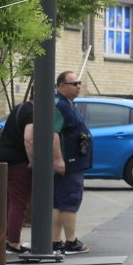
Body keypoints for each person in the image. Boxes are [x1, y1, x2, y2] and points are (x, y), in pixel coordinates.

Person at [0, 81, 64, 254]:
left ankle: (5, 239)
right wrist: (32, 160)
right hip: (19, 161)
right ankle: (13, 242)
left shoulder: (20, 108)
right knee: (19, 202)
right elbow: (29, 138)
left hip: (2, 158)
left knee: (8, 201)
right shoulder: (32, 113)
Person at [52, 71, 92, 253]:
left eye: (79, 83)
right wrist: (59, 159)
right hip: (69, 163)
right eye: (74, 83)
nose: (78, 86)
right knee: (69, 201)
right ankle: (71, 242)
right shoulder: (59, 106)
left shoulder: (67, 104)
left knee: (58, 203)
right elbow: (53, 134)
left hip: (72, 162)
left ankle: (54, 241)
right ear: (61, 86)